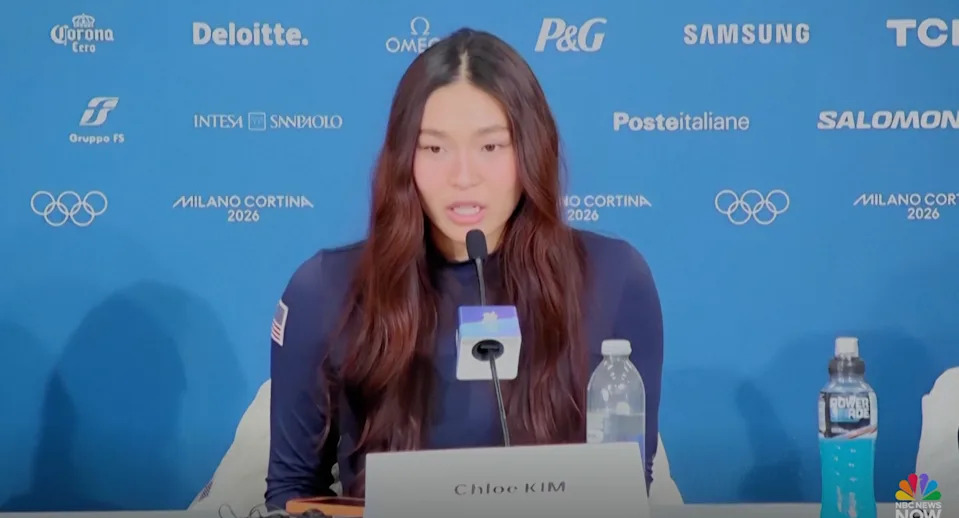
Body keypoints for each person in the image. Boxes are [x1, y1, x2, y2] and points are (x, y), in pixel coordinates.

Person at [265, 28, 664, 511]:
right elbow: (291, 492)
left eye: (491, 147)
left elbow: (627, 485)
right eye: (434, 149)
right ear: (403, 159)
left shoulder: (614, 278)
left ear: (532, 149)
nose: (463, 177)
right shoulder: (324, 291)